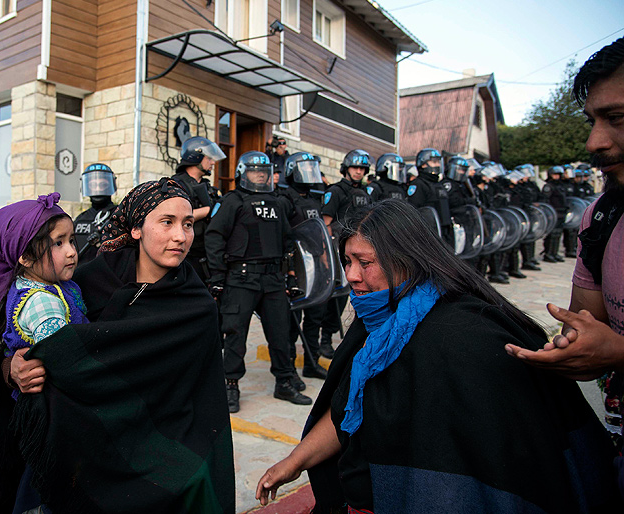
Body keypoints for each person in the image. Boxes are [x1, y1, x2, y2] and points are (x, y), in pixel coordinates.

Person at [255, 199, 621, 513]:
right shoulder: (375, 320)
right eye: (347, 261)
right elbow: (347, 409)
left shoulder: (467, 337)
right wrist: (294, 462)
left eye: (364, 262)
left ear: (407, 258)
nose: (351, 276)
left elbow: (497, 459)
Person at [0, 180, 236, 513]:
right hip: (80, 444)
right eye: (166, 222)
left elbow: (201, 394)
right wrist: (13, 368)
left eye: (187, 224)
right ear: (137, 229)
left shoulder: (195, 305)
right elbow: (19, 342)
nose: (181, 236)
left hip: (158, 439)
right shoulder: (89, 280)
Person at [504, 37, 624, 484]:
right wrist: (565, 349)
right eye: (592, 120)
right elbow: (588, 325)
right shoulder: (602, 215)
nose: (595, 141)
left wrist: (618, 352)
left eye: (616, 118)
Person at [0, 193, 90, 513]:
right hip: (52, 417)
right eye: (59, 243)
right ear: (23, 257)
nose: (73, 252)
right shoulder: (41, 303)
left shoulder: (50, 287)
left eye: (72, 240)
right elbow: (66, 359)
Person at [206, 152, 312, 413]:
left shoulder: (278, 203)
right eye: (255, 171)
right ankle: (230, 385)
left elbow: (289, 241)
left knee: (280, 332)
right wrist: (218, 277)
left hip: (273, 279)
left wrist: (290, 275)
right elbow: (214, 237)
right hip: (241, 278)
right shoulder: (232, 201)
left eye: (264, 172)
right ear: (244, 172)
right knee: (234, 333)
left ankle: (284, 381)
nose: (261, 175)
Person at [279, 151, 329, 382]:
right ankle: (289, 368)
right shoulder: (284, 199)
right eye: (305, 169)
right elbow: (284, 237)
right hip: (296, 266)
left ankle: (312, 363)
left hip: (316, 264)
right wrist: (288, 271)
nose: (310, 174)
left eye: (312, 169)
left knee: (315, 316)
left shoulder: (314, 199)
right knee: (292, 321)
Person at [319, 149, 373, 360]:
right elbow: (325, 224)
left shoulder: (366, 193)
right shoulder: (336, 191)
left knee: (353, 296)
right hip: (338, 252)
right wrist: (327, 256)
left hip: (362, 252)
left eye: (362, 168)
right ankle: (325, 340)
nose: (358, 172)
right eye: (355, 167)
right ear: (346, 168)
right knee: (335, 297)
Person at [171, 135, 226, 281]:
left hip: (210, 254)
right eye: (209, 158)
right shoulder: (176, 185)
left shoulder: (210, 188)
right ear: (195, 157)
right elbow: (172, 217)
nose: (213, 162)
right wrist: (207, 211)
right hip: (186, 255)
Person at [74, 163, 118, 265]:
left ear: (112, 184)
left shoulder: (119, 215)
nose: (98, 189)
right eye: (93, 185)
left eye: (103, 185)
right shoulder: (80, 219)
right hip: (80, 275)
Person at [408, 147, 453, 244]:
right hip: (430, 234)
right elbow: (415, 210)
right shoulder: (418, 184)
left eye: (438, 162)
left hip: (445, 232)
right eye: (434, 162)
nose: (437, 165)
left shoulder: (439, 185)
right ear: (423, 164)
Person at [542, 165, 569, 262]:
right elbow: (545, 200)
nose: (556, 177)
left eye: (558, 175)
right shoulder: (548, 186)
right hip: (553, 213)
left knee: (558, 234)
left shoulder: (561, 186)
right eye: (554, 175)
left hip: (561, 212)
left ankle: (554, 253)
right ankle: (548, 254)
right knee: (552, 234)